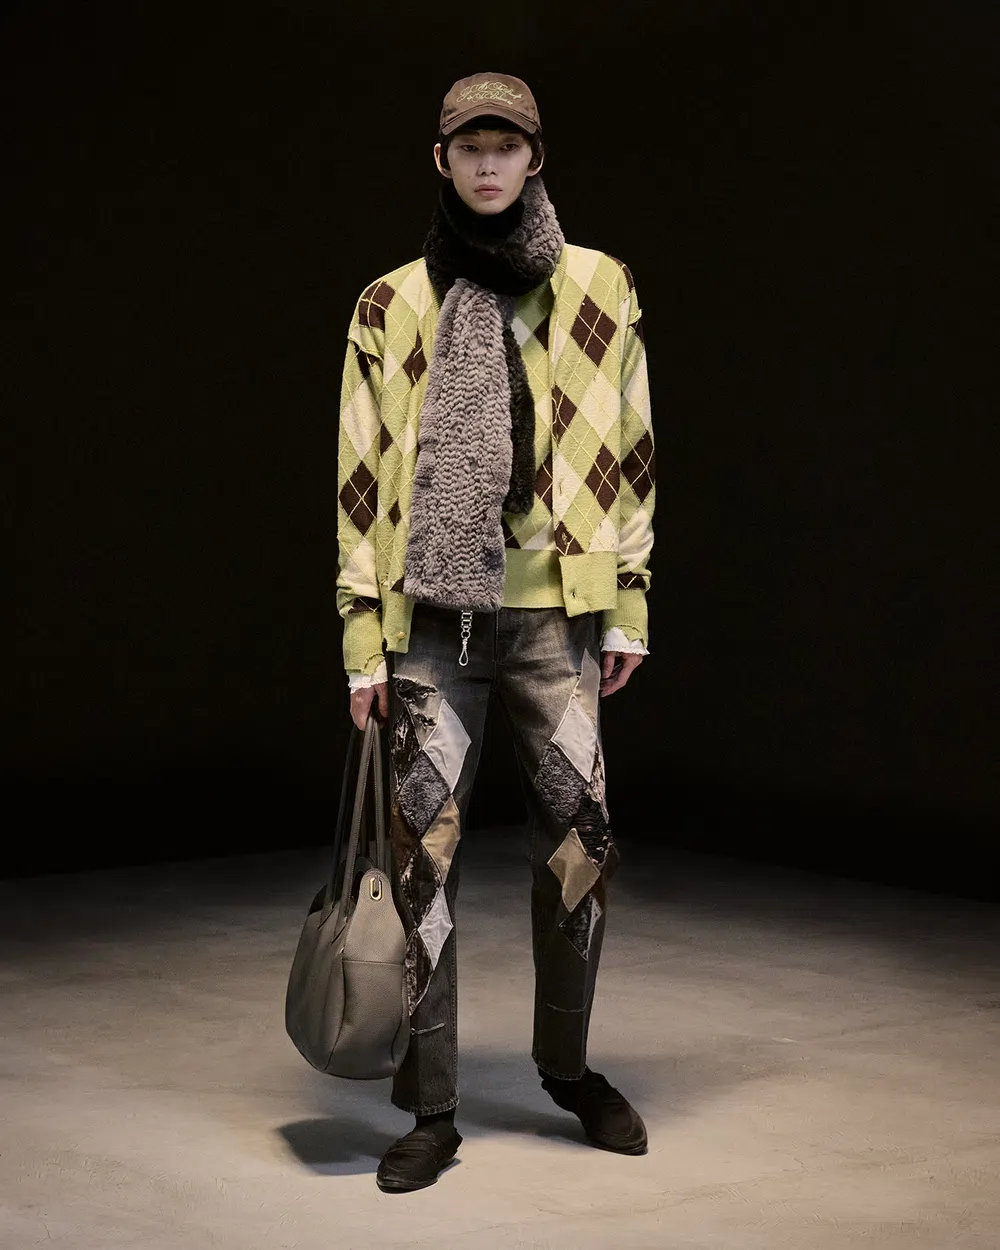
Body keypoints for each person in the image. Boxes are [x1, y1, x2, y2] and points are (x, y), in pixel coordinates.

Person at [336, 72, 656, 1192]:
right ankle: (430, 1106)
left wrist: (628, 603)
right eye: (469, 146)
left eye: (505, 146)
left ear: (534, 158)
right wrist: (362, 639)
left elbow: (632, 449)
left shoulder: (597, 285)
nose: (487, 164)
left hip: (555, 614)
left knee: (580, 843)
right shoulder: (390, 303)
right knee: (421, 858)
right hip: (431, 620)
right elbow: (360, 479)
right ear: (441, 159)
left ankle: (567, 1067)